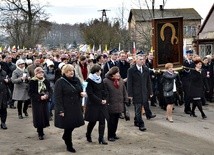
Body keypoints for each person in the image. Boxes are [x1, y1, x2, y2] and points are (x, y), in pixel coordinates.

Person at [54, 64, 86, 153]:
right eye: (68, 71)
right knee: (68, 126)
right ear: (64, 72)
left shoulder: (76, 80)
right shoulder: (60, 82)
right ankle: (69, 145)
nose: (71, 72)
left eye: (72, 70)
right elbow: (57, 97)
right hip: (66, 107)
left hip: (75, 106)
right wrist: (60, 110)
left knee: (73, 125)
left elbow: (79, 89)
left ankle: (65, 136)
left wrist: (81, 94)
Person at [127, 53, 155, 132]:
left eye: (143, 59)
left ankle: (136, 120)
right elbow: (129, 83)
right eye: (140, 59)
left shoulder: (146, 69)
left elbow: (148, 82)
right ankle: (141, 124)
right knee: (138, 108)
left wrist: (150, 91)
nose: (142, 61)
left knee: (140, 107)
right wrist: (130, 94)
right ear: (136, 60)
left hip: (144, 92)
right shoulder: (131, 70)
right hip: (136, 93)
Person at [85, 64, 108, 145]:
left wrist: (104, 98)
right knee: (92, 122)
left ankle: (101, 138)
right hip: (93, 104)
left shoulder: (100, 79)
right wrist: (100, 100)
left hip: (102, 103)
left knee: (102, 121)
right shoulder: (89, 80)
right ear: (95, 72)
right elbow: (90, 94)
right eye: (99, 71)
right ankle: (88, 134)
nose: (100, 72)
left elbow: (104, 90)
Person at [103, 66, 129, 141]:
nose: (118, 74)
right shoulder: (106, 81)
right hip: (110, 104)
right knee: (111, 121)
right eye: (117, 73)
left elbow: (124, 91)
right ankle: (110, 136)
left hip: (119, 103)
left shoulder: (120, 80)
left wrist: (126, 99)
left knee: (116, 120)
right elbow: (105, 93)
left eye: (118, 73)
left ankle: (114, 134)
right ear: (112, 74)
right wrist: (106, 102)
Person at [28, 67, 52, 140]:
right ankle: (40, 132)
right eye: (39, 73)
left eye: (42, 72)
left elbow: (50, 90)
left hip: (45, 100)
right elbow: (30, 93)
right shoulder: (32, 81)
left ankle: (42, 129)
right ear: (36, 74)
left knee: (44, 115)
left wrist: (47, 95)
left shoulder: (46, 81)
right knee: (39, 116)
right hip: (37, 101)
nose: (41, 74)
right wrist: (39, 97)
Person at [0, 64, 9, 129]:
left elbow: (8, 80)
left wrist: (8, 80)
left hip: (3, 93)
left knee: (3, 108)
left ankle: (3, 122)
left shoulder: (4, 72)